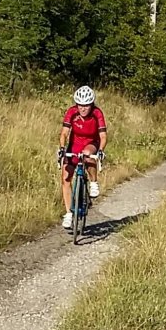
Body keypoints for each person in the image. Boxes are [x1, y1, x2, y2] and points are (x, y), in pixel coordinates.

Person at [57, 85, 108, 230]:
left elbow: (103, 136)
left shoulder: (97, 113)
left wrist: (100, 150)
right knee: (66, 178)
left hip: (91, 143)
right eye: (80, 105)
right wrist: (62, 148)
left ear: (91, 104)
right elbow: (64, 133)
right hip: (74, 144)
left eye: (86, 105)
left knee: (87, 155)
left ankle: (93, 182)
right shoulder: (71, 112)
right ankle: (68, 213)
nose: (83, 108)